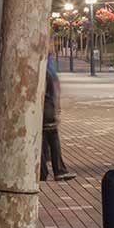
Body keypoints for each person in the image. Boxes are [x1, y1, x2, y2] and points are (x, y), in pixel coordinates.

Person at [40, 51, 74, 181]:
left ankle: (44, 172)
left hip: (44, 111)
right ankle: (57, 170)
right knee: (51, 138)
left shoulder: (44, 72)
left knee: (44, 141)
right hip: (47, 111)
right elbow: (52, 93)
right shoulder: (46, 73)